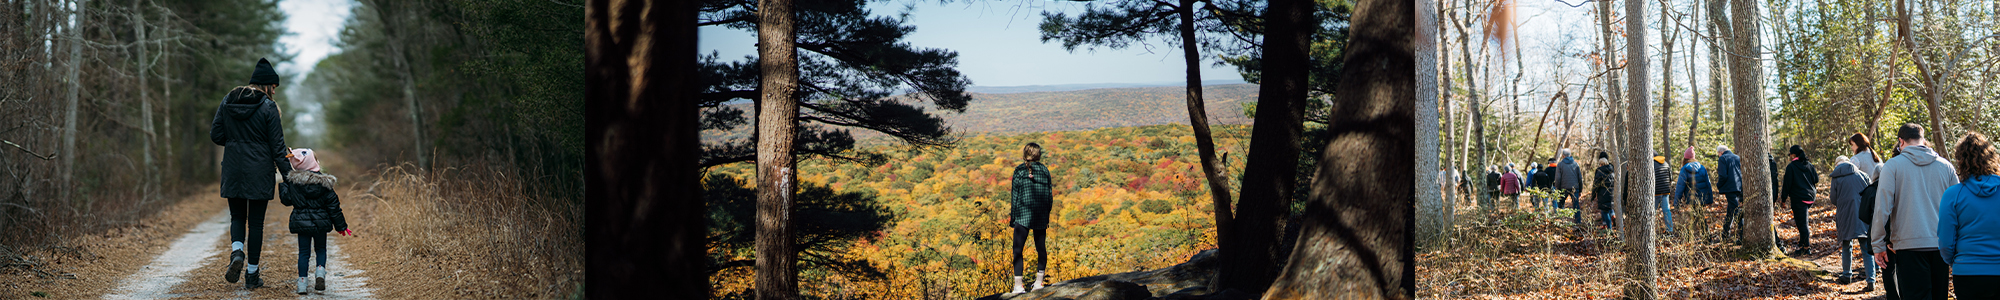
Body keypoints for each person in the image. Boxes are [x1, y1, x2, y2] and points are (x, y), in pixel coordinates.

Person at [210, 58, 292, 289]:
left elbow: (216, 135)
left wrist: (236, 143)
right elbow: (278, 148)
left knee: (237, 216)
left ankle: (237, 252)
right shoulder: (268, 107)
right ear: (265, 85)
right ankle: (252, 275)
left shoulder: (228, 100)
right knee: (256, 223)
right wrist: (290, 178)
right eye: (273, 86)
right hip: (259, 170)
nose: (275, 90)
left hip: (233, 167)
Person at [1873, 123, 1960, 300]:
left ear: (1901, 142)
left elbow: (1883, 207)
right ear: (1923, 140)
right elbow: (1958, 206)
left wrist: (1878, 244)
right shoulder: (1946, 166)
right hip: (1940, 245)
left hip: (1908, 246)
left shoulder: (1892, 166)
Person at [278, 149, 350, 295]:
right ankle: (320, 273)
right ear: (314, 163)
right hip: (321, 224)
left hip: (302, 224)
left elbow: (286, 201)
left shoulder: (294, 183)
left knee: (304, 253)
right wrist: (341, 226)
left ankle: (302, 284)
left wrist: (284, 185)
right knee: (321, 249)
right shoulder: (325, 184)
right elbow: (334, 207)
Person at [1939, 132, 2000, 299]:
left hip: (1967, 272)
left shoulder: (1953, 195)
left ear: (1960, 161)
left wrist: (1957, 261)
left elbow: (1945, 242)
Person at [1010, 143, 1055, 294]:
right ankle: (1039, 283)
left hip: (1022, 215)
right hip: (1040, 215)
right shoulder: (1045, 170)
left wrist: (1013, 217)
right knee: (1041, 249)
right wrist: (1046, 214)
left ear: (1025, 154)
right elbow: (1049, 196)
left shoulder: (1019, 170)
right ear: (1038, 155)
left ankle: (1018, 286)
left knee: (1018, 250)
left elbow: (1015, 196)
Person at [1830, 155, 1876, 290]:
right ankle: (1871, 280)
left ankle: (1846, 275)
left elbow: (1833, 199)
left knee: (1846, 245)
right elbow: (1870, 193)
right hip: (1863, 214)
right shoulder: (1862, 175)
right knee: (1866, 247)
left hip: (1845, 214)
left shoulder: (1836, 178)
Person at [1783, 145, 1821, 255]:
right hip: (1810, 197)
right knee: (1801, 220)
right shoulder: (1809, 165)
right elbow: (1816, 179)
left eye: (1790, 154)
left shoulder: (1791, 167)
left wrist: (1783, 199)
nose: (1789, 156)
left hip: (1799, 198)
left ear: (1793, 154)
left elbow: (1787, 184)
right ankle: (1802, 243)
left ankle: (1806, 247)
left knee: (1802, 223)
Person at [1717, 145, 1745, 241]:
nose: (1718, 155)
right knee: (1731, 211)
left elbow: (1723, 175)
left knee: (1737, 211)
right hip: (1739, 187)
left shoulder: (1722, 159)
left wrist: (1719, 185)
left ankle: (1742, 236)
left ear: (1720, 152)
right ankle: (1725, 235)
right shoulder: (1737, 157)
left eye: (1718, 154)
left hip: (1729, 188)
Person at [1558, 149, 1583, 224]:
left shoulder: (1560, 165)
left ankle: (1560, 221)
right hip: (1574, 188)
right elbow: (1580, 178)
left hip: (1563, 188)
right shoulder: (1575, 164)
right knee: (1576, 205)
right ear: (1570, 155)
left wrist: (1558, 190)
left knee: (1561, 204)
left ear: (1563, 156)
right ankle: (1578, 222)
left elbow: (1558, 178)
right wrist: (1580, 190)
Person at [1594, 152, 1617, 229]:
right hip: (1612, 192)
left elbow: (1596, 184)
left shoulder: (1599, 171)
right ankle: (1613, 215)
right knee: (1610, 206)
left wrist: (1593, 194)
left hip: (1602, 193)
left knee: (1604, 210)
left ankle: (1609, 228)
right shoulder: (1612, 169)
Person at [1653, 155, 1674, 235]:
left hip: (1655, 191)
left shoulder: (1651, 163)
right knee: (1666, 211)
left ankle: (1651, 231)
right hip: (1665, 191)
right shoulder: (1665, 163)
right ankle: (1670, 230)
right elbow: (1670, 177)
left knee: (1652, 212)